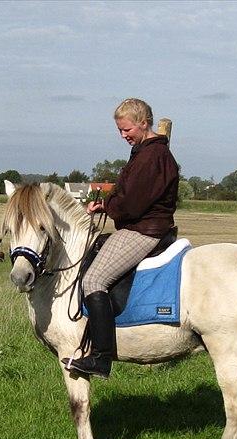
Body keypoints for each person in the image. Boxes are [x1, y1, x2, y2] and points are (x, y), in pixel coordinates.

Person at [64, 98, 180, 378]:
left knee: (94, 280)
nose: (123, 135)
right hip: (141, 225)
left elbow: (133, 204)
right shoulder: (143, 152)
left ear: (144, 123)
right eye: (119, 131)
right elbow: (127, 192)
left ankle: (101, 358)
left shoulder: (153, 156)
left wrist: (113, 207)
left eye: (127, 129)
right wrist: (106, 203)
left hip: (145, 230)